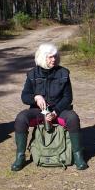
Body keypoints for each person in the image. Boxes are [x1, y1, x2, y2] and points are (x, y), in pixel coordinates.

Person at [11, 43, 88, 171]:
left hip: (59, 110)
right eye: (50, 57)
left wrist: (55, 112)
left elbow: (68, 98)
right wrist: (36, 97)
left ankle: (78, 155)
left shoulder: (63, 73)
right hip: (38, 111)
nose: (54, 59)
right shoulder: (32, 74)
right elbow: (25, 96)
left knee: (73, 118)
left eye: (55, 56)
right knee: (21, 118)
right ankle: (20, 156)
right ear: (42, 57)